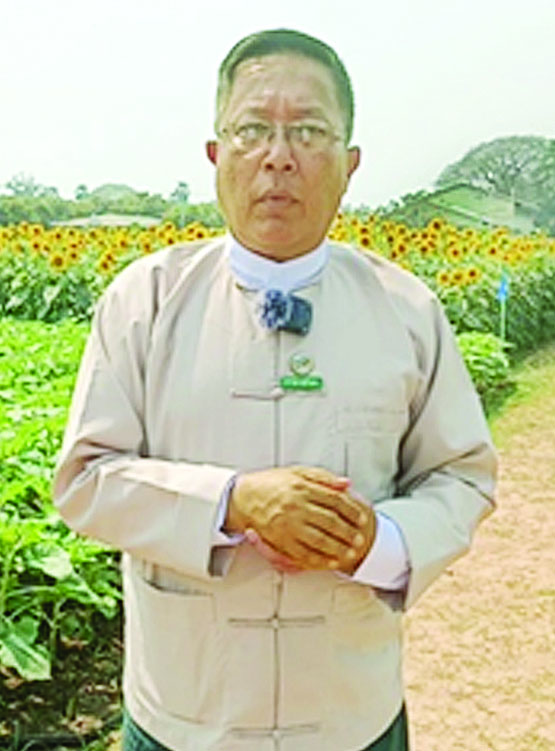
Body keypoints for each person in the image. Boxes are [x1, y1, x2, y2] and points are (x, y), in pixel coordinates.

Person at [53, 28, 497, 751]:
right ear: (215, 155)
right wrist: (230, 502)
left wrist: (379, 542)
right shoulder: (143, 301)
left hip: (353, 718)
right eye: (253, 129)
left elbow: (462, 475)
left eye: (309, 131)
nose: (278, 156)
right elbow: (84, 479)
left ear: (349, 165)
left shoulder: (407, 310)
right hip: (183, 719)